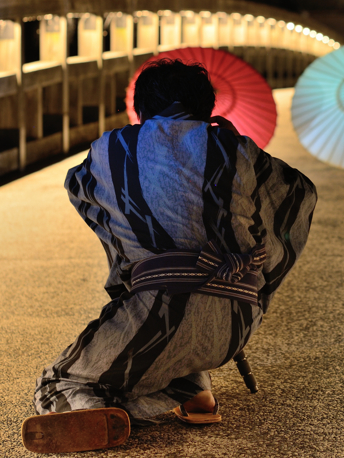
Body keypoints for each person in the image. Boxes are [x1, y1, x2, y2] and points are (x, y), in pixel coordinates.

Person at [21, 58, 317, 454]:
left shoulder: (112, 148)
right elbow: (298, 195)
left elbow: (82, 190)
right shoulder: (239, 149)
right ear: (205, 108)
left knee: (59, 384)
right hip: (235, 323)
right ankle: (196, 392)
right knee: (179, 335)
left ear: (141, 108)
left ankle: (103, 407)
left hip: (155, 314)